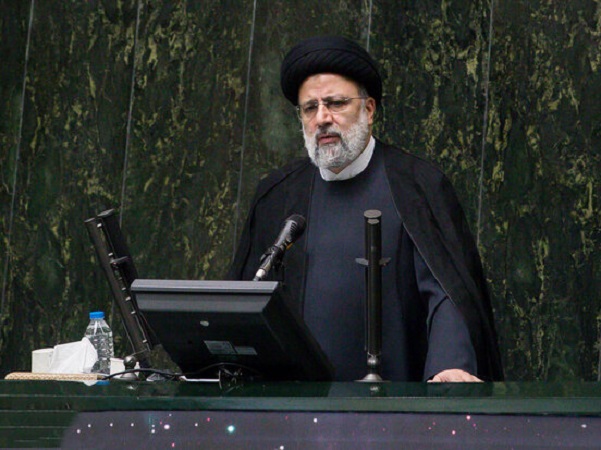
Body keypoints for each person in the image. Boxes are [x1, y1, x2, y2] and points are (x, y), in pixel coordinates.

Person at [229, 36, 504, 382]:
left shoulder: (418, 186)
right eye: (310, 108)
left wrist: (451, 364)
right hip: (297, 404)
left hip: (394, 404)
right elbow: (244, 305)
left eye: (336, 103)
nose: (322, 118)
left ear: (369, 110)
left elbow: (446, 294)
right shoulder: (277, 195)